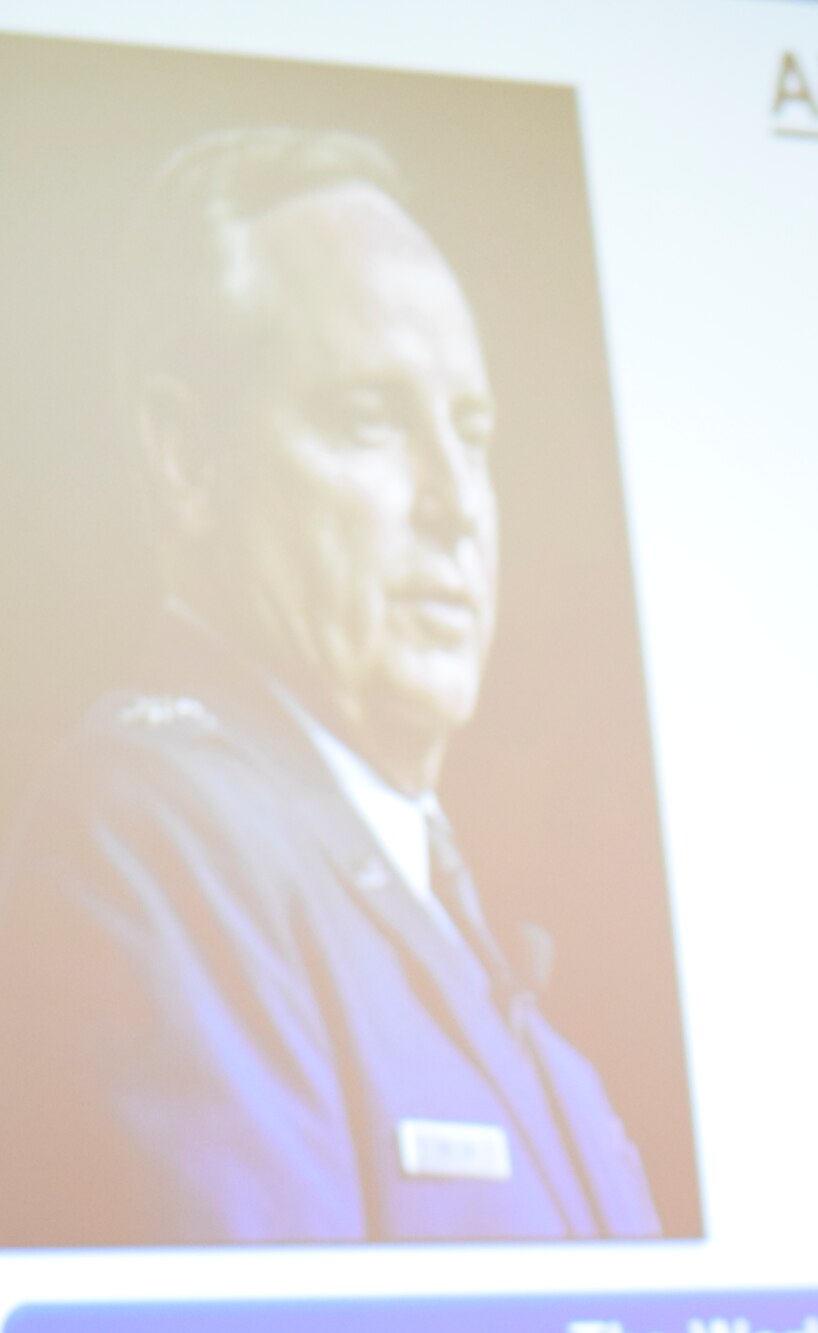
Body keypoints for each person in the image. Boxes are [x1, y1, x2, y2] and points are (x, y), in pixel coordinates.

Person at [0, 128, 662, 1244]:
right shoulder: (148, 838)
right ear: (187, 457)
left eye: (473, 431)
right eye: (373, 421)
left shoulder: (488, 974)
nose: (455, 504)